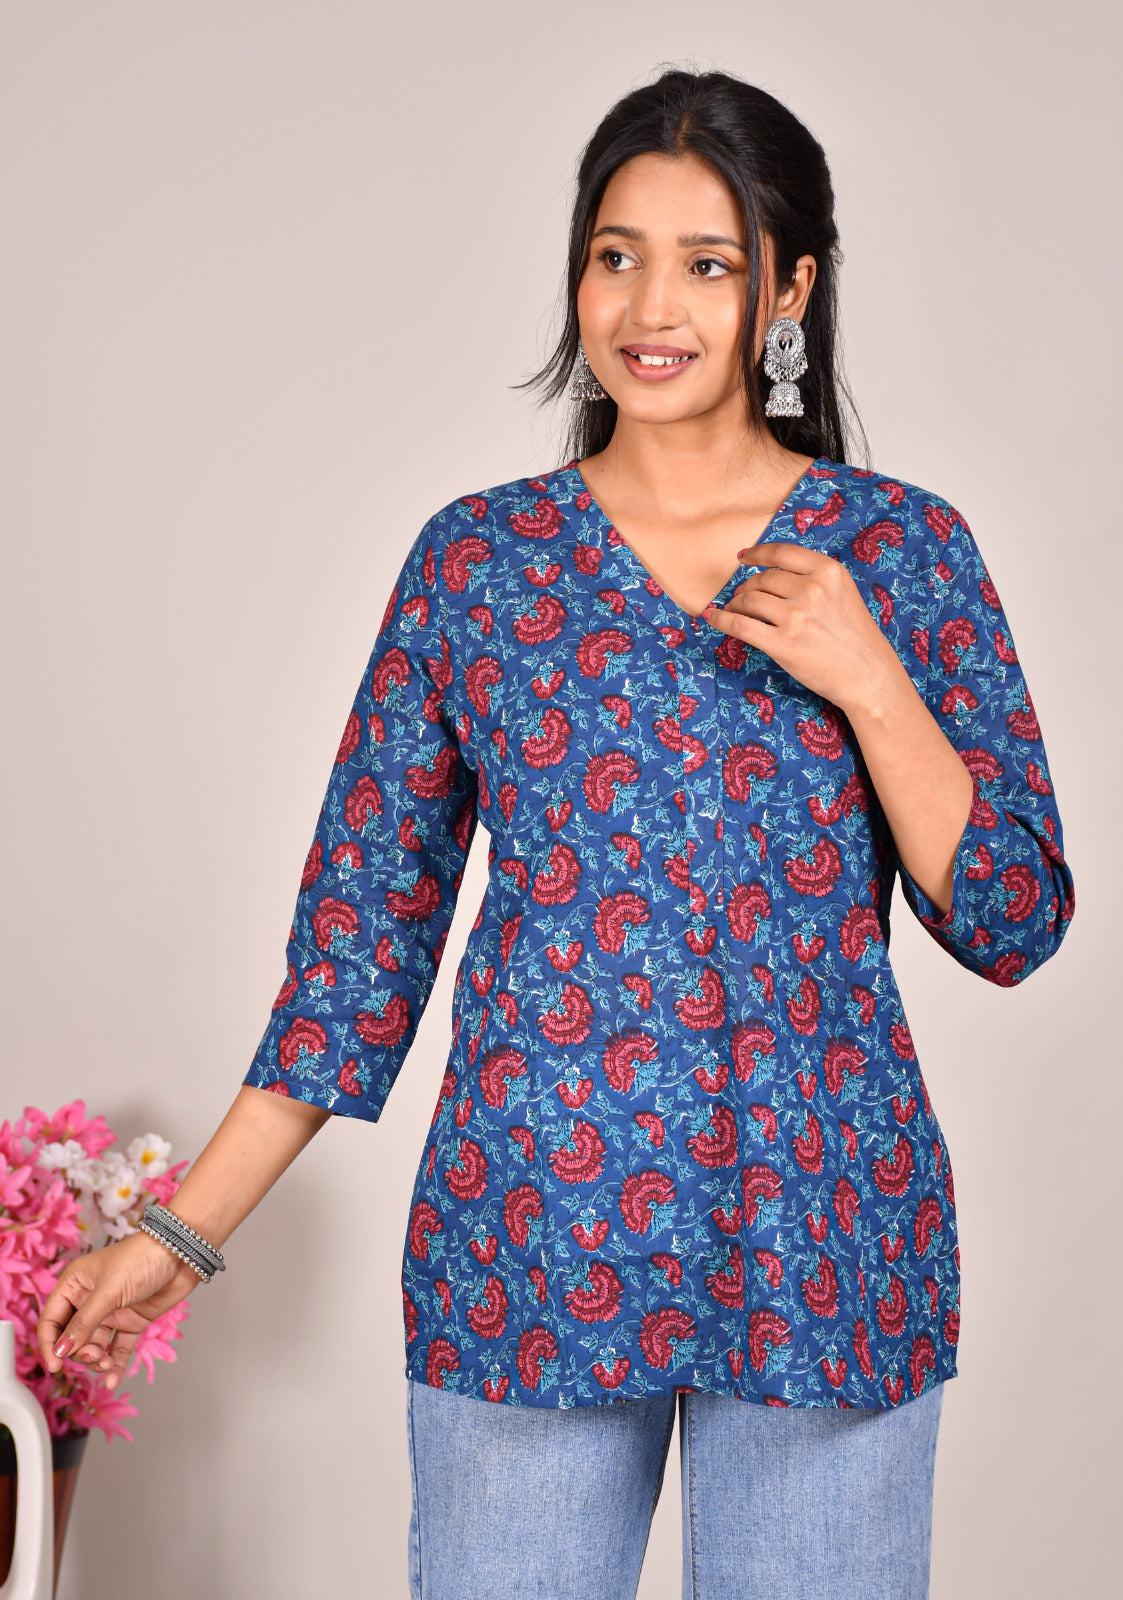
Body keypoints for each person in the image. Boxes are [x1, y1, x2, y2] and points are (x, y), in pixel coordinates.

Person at [37, 66, 1074, 1600]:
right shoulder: (479, 564)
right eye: (616, 255)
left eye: (708, 264)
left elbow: (1011, 919)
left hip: (826, 1251)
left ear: (789, 288)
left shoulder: (899, 552)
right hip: (532, 1250)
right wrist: (174, 1241)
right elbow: (356, 960)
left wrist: (869, 678)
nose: (652, 307)